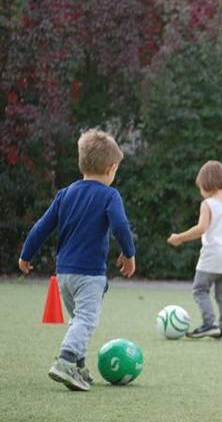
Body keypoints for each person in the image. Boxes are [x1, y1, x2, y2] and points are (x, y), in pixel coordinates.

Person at [17, 129, 136, 391]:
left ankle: (79, 368)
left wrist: (26, 255)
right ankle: (65, 361)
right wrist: (129, 255)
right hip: (90, 273)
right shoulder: (109, 195)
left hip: (65, 274)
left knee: (77, 319)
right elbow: (120, 225)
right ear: (111, 168)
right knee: (86, 319)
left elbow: (41, 227)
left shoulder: (65, 194)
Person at [167, 160, 222, 340]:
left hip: (212, 257)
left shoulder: (208, 204)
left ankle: (209, 324)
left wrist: (180, 237)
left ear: (206, 184)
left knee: (200, 290)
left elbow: (201, 228)